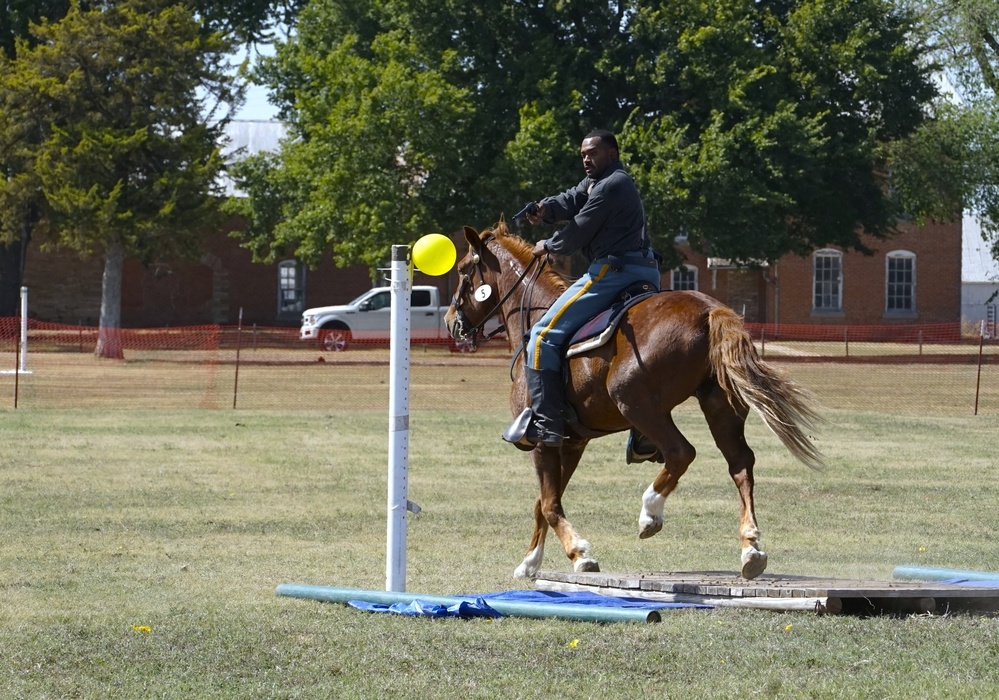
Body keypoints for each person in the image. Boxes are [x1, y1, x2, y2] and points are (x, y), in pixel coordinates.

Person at [504, 129, 661, 449]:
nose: (587, 159)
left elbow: (580, 229)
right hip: (646, 273)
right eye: (583, 155)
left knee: (542, 336)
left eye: (594, 153)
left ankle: (547, 422)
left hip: (613, 273)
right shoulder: (601, 182)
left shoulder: (613, 185)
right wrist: (546, 209)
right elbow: (574, 198)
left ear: (613, 154)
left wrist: (547, 245)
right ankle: (648, 431)